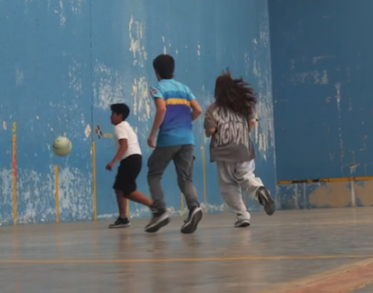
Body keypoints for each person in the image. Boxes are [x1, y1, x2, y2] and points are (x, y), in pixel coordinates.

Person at [203, 70, 276, 228]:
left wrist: (208, 131)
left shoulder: (212, 109)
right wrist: (243, 132)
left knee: (228, 184)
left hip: (223, 151)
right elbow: (252, 122)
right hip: (244, 148)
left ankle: (242, 216)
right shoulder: (244, 105)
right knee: (246, 176)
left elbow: (211, 130)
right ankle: (260, 190)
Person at [144, 54, 204, 234]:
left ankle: (160, 211)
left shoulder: (157, 88)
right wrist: (185, 122)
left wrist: (152, 134)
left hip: (168, 138)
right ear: (173, 70)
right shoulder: (184, 88)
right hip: (187, 140)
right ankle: (194, 207)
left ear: (156, 72)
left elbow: (161, 109)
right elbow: (198, 110)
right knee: (186, 179)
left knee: (154, 173)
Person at [105, 103, 153, 229]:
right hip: (134, 159)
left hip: (130, 159)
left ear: (120, 115)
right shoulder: (125, 125)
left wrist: (113, 161)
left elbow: (124, 146)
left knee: (128, 191)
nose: (111, 116)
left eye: (113, 114)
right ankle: (123, 218)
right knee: (119, 188)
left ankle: (156, 207)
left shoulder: (119, 127)